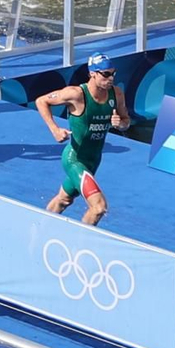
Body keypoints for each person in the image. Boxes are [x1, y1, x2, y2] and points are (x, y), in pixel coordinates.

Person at [35, 52, 130, 226]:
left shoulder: (116, 94)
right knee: (99, 207)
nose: (111, 78)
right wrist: (54, 129)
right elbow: (41, 101)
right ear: (93, 73)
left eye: (113, 73)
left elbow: (126, 122)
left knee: (64, 199)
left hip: (93, 160)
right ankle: (81, 243)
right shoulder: (76, 94)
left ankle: (40, 228)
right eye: (106, 74)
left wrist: (120, 124)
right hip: (74, 159)